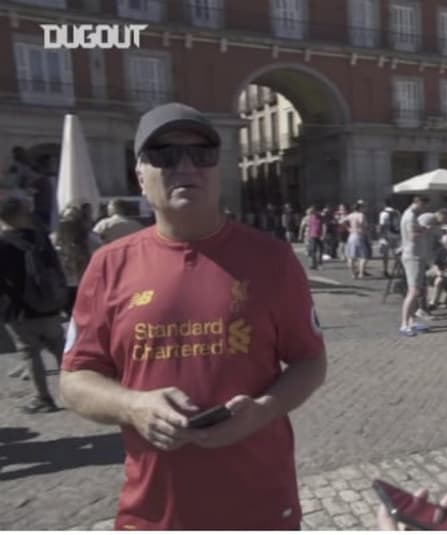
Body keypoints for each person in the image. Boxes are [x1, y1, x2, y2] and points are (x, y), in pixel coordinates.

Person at [58, 102, 327, 530]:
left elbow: (310, 360)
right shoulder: (109, 264)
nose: (185, 165)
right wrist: (133, 405)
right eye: (164, 154)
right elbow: (75, 379)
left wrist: (262, 410)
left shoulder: (273, 258)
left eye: (201, 153)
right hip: (154, 511)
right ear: (140, 176)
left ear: (219, 171)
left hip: (260, 504)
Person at [0, 194, 67, 413]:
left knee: (30, 354)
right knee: (60, 349)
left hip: (18, 309)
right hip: (49, 304)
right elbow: (56, 267)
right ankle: (75, 391)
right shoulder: (40, 237)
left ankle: (44, 398)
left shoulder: (2, 243)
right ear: (22, 214)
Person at [52, 204, 101, 313]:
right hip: (62, 286)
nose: (69, 222)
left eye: (73, 218)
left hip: (84, 285)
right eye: (66, 218)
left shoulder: (91, 240)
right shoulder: (53, 240)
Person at [398, 195, 429, 336]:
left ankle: (412, 320)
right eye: (423, 205)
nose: (424, 209)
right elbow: (412, 236)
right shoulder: (410, 216)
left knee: (415, 290)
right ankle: (404, 324)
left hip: (414, 255)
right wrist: (424, 229)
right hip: (413, 256)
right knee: (413, 291)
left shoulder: (409, 214)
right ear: (417, 202)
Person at [344, 200, 369, 278]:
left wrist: (348, 228)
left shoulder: (350, 215)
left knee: (351, 256)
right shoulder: (361, 215)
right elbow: (363, 224)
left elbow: (341, 221)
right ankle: (361, 273)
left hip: (351, 235)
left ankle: (353, 273)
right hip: (359, 235)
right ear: (360, 208)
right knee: (363, 256)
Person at [377, 200, 400, 278]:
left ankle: (385, 270)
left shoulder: (383, 213)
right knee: (396, 253)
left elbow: (382, 225)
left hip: (386, 236)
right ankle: (397, 270)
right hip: (395, 235)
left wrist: (380, 236)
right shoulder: (397, 212)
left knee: (385, 254)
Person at [299, 205, 323, 270]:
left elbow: (323, 225)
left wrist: (323, 234)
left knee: (319, 250)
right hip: (309, 236)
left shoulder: (320, 217)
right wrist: (300, 235)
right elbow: (302, 227)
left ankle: (318, 262)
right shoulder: (306, 218)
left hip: (318, 235)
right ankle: (312, 264)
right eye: (310, 211)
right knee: (311, 250)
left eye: (313, 211)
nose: (311, 212)